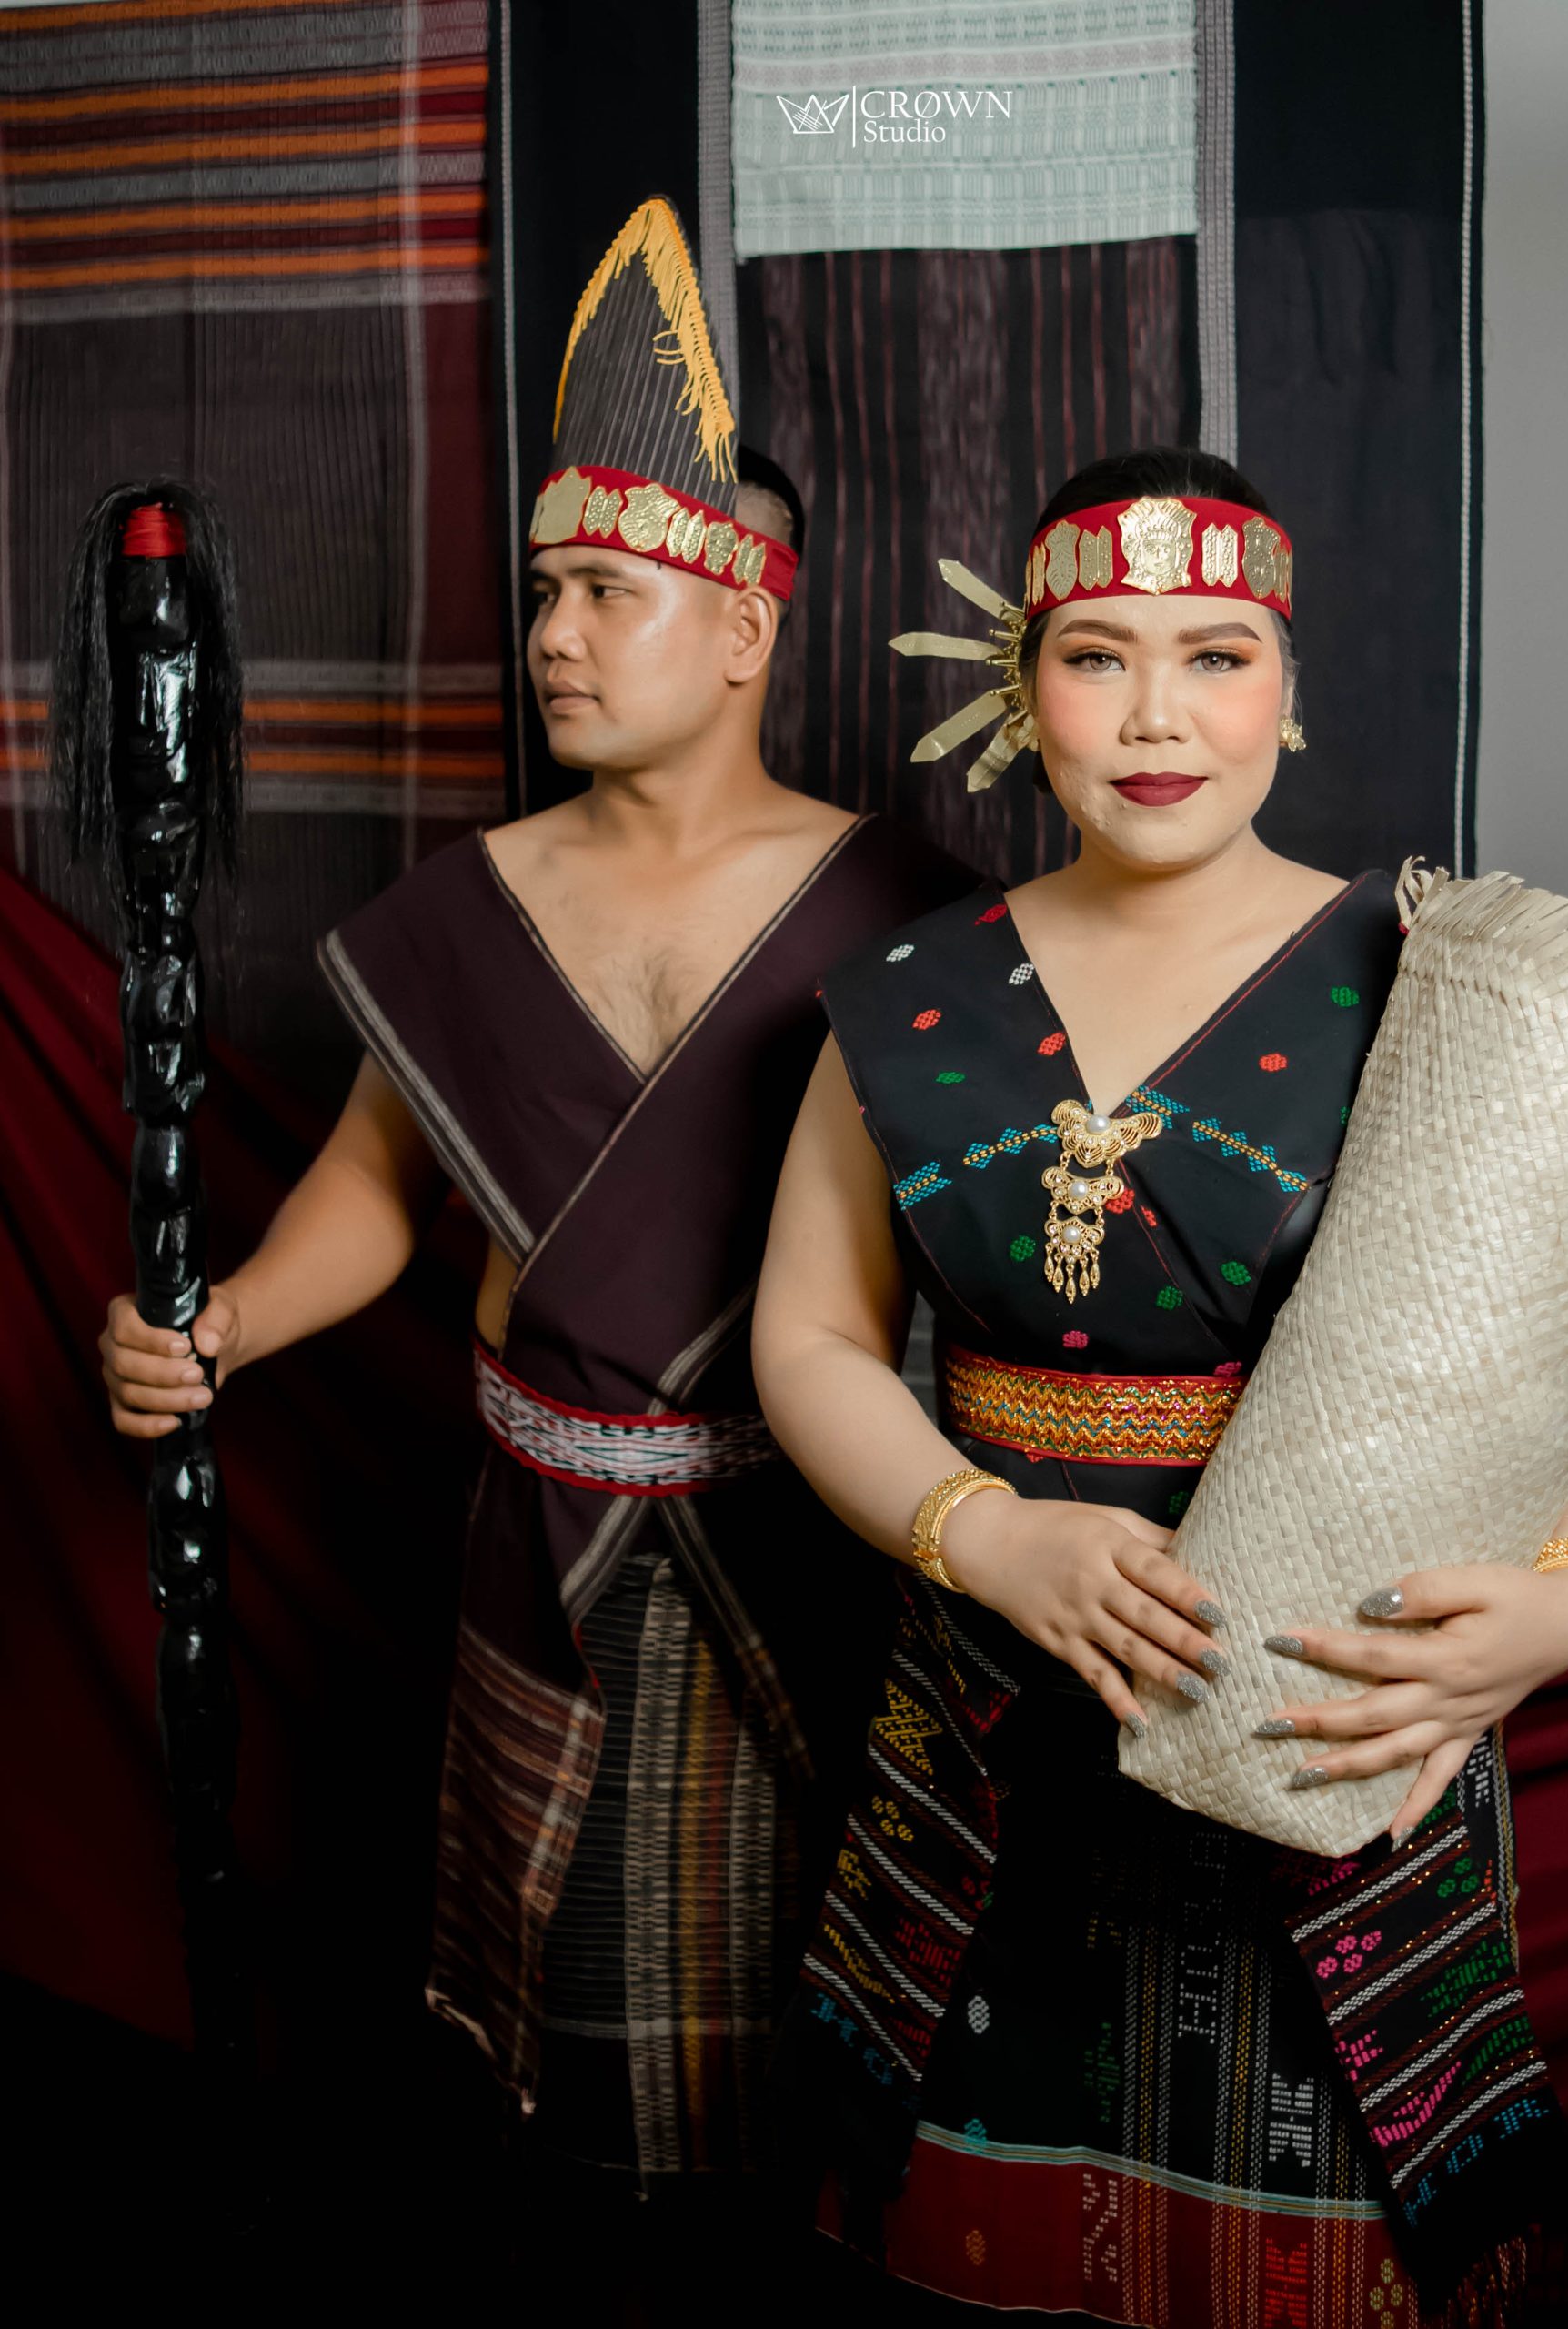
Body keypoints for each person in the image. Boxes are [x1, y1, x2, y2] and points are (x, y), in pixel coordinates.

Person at [99, 197, 974, 2297]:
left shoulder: (910, 907)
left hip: (814, 1548)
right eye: (541, 594)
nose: (553, 636)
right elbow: (376, 1185)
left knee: (825, 2032)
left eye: (605, 591)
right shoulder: (467, 901)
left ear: (742, 624)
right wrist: (222, 1327)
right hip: (543, 1545)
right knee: (566, 2063)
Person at [751, 446, 1568, 2323]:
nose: (1156, 713)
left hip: (1339, 1716)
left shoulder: (1434, 975)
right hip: (988, 1720)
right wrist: (984, 1533)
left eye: (1217, 654)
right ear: (1020, 688)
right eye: (1096, 655)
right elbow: (811, 1337)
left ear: (1289, 683)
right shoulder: (902, 993)